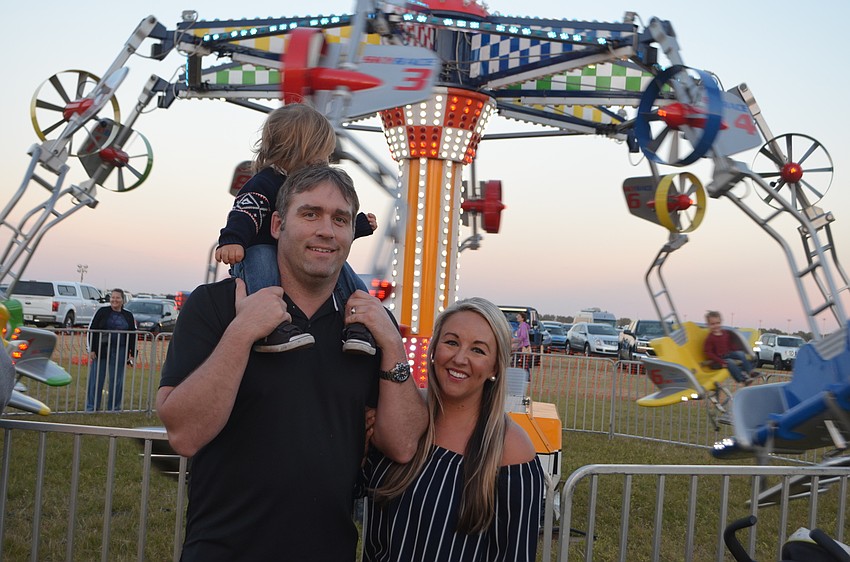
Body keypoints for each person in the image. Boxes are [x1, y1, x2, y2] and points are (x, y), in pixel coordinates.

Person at [157, 164, 428, 561]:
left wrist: (393, 345)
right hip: (224, 549)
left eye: (340, 219)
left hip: (328, 548)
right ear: (278, 224)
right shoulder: (216, 305)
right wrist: (241, 333)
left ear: (352, 233)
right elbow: (183, 434)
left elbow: (403, 444)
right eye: (310, 214)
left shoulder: (367, 323)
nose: (326, 230)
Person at [363, 297, 545, 562]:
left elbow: (515, 553)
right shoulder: (400, 415)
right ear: (434, 349)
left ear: (495, 367)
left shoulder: (511, 448)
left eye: (478, 350)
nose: (460, 358)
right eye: (451, 342)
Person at [215, 102, 377, 355]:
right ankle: (271, 325)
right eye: (321, 154)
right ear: (300, 150)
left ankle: (359, 324)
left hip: (294, 252)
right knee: (263, 260)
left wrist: (359, 226)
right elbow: (246, 212)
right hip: (260, 247)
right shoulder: (264, 183)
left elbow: (321, 233)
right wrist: (232, 239)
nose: (325, 160)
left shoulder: (307, 186)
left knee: (346, 273)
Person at [86, 288, 136, 411]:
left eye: (117, 297)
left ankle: (114, 407)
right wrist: (92, 349)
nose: (114, 300)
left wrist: (132, 353)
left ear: (123, 300)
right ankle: (92, 407)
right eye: (112, 297)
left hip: (120, 350)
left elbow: (132, 334)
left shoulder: (128, 315)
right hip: (101, 350)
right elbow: (92, 330)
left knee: (117, 380)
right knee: (96, 379)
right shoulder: (102, 312)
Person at [703, 310, 755, 385]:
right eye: (712, 324)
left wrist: (736, 351)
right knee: (730, 362)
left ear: (721, 322)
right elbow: (708, 353)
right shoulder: (710, 338)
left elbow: (730, 345)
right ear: (708, 325)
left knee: (740, 354)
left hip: (727, 354)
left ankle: (750, 371)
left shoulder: (725, 333)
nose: (716, 326)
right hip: (716, 361)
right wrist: (721, 362)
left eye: (718, 323)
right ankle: (743, 379)